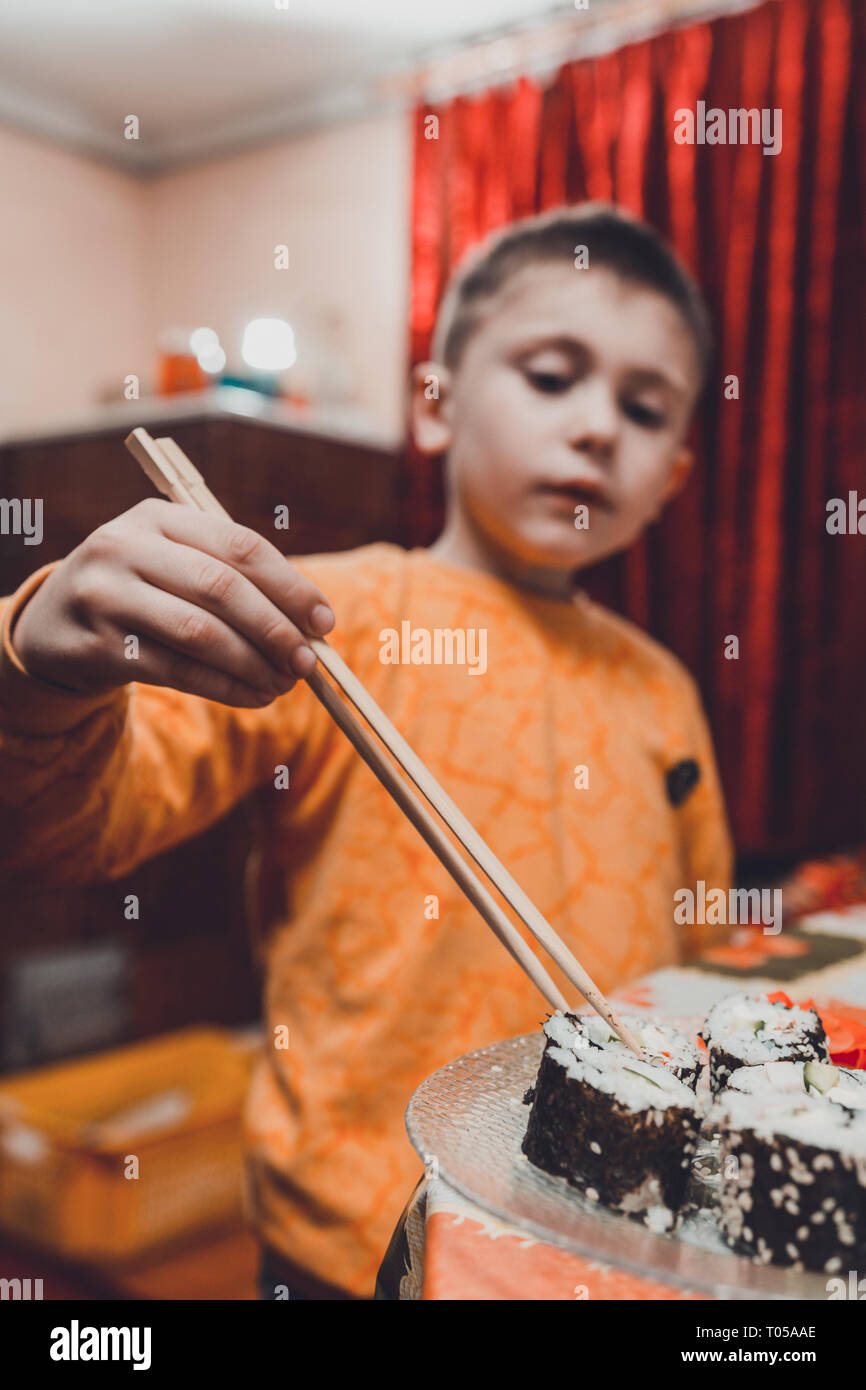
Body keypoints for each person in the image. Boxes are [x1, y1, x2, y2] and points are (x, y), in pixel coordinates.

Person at [0, 204, 733, 1299]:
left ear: (672, 473)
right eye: (549, 376)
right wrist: (40, 671)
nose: (594, 428)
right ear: (431, 407)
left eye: (640, 407)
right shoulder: (324, 614)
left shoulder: (660, 684)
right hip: (358, 1234)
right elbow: (73, 826)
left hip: (600, 1247)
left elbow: (698, 957)